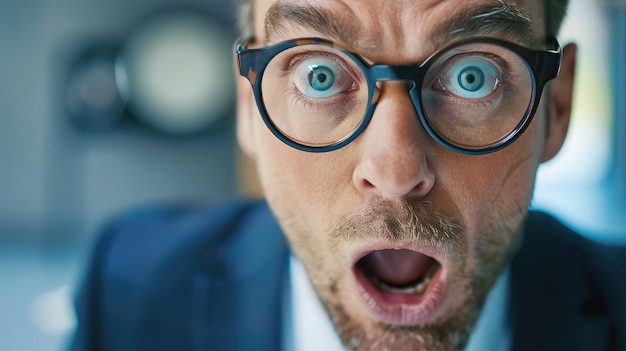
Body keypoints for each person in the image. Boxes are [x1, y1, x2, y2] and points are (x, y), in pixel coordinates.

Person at [69, 0, 626, 350]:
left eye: (473, 76)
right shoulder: (129, 285)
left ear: (557, 106)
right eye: (318, 75)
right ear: (247, 103)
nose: (395, 171)